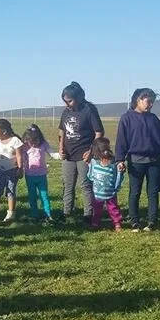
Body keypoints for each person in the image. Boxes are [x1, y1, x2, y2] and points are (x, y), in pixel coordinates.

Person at [115, 88, 160, 232]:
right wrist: (120, 160)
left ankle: (152, 221)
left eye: (152, 101)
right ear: (138, 100)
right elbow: (121, 141)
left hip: (154, 161)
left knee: (153, 192)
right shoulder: (126, 118)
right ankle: (134, 221)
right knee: (135, 192)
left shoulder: (153, 119)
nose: (151, 104)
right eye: (148, 101)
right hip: (135, 161)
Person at [58, 81, 104, 222]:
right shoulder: (66, 112)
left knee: (85, 184)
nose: (67, 104)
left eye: (69, 101)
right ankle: (67, 212)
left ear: (78, 98)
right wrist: (61, 147)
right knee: (68, 184)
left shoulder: (89, 110)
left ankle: (88, 214)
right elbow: (62, 130)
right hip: (68, 155)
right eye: (65, 101)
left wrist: (91, 151)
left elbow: (99, 132)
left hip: (84, 154)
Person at [0, 119, 23, 222]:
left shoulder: (15, 141)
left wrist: (20, 169)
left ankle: (11, 213)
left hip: (12, 171)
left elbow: (19, 156)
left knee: (10, 191)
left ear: (4, 131)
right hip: (0, 171)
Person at [21, 124, 58, 224]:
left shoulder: (44, 144)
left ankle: (48, 215)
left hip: (42, 175)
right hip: (30, 176)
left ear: (40, 138)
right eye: (31, 142)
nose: (33, 144)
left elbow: (52, 153)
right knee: (32, 196)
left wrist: (60, 155)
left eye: (36, 141)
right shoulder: (25, 147)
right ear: (27, 140)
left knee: (44, 196)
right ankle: (34, 215)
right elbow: (20, 157)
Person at [88, 137, 124, 231]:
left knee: (113, 209)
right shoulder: (94, 162)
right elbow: (91, 175)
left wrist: (120, 172)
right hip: (97, 193)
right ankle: (95, 223)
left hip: (110, 192)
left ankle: (117, 223)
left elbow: (118, 176)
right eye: (103, 150)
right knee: (96, 209)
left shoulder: (113, 162)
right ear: (97, 150)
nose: (106, 152)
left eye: (107, 149)